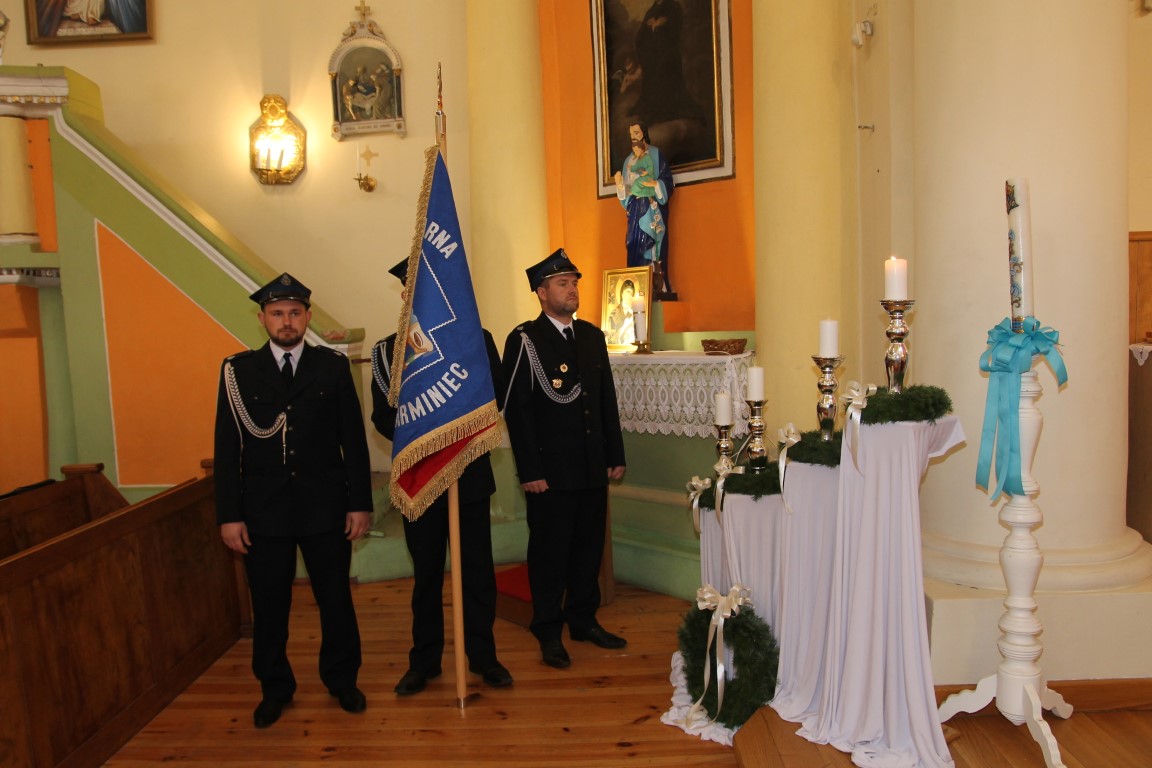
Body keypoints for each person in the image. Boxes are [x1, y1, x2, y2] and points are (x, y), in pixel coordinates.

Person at [214, 272, 372, 729]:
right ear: (262, 319)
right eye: (277, 313)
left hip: (326, 507)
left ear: (307, 317)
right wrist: (230, 515)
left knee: (335, 600)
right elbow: (227, 448)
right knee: (269, 606)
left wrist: (359, 503)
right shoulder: (238, 371)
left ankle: (342, 680)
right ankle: (274, 688)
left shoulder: (332, 367)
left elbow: (353, 441)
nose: (287, 321)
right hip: (264, 512)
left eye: (295, 313)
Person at [369, 259, 513, 696]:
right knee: (427, 576)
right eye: (413, 291)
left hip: (467, 475)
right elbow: (381, 416)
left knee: (477, 574)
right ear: (404, 297)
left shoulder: (475, 339)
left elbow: (496, 397)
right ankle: (425, 662)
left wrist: (455, 435)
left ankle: (484, 657)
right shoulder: (388, 352)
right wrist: (425, 438)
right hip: (420, 478)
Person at [501, 249, 627, 669]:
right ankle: (548, 630)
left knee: (588, 549)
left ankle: (583, 620)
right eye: (562, 283)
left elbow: (605, 400)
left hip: (591, 464)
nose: (572, 289)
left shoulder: (591, 336)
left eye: (574, 283)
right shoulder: (525, 340)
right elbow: (517, 410)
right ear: (541, 292)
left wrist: (614, 453)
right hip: (550, 472)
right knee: (550, 555)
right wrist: (530, 470)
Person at [614, 122, 674, 293]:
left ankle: (656, 287)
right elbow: (626, 195)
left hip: (650, 208)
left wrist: (655, 184)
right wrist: (620, 186)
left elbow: (667, 182)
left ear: (644, 133)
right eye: (630, 134)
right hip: (634, 211)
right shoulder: (629, 160)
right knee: (634, 245)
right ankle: (636, 288)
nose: (633, 136)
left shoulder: (655, 155)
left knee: (652, 246)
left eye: (636, 132)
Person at [608, 279, 636, 345]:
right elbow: (611, 338)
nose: (630, 296)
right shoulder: (614, 313)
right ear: (622, 293)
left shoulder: (634, 314)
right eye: (628, 292)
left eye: (632, 294)